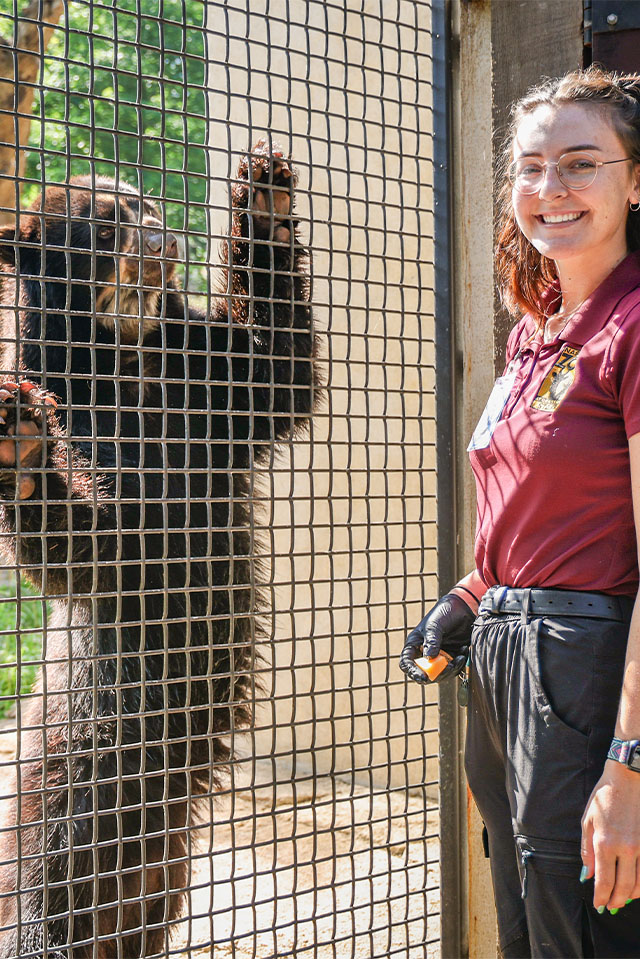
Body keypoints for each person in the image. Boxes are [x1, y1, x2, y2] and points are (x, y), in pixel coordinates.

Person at [400, 67, 640, 958]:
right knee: (523, 915)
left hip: (586, 666)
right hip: (503, 662)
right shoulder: (532, 332)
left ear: (636, 179)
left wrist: (630, 763)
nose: (552, 189)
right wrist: (469, 597)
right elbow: (541, 510)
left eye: (582, 163)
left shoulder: (634, 327)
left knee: (583, 925)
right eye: (533, 167)